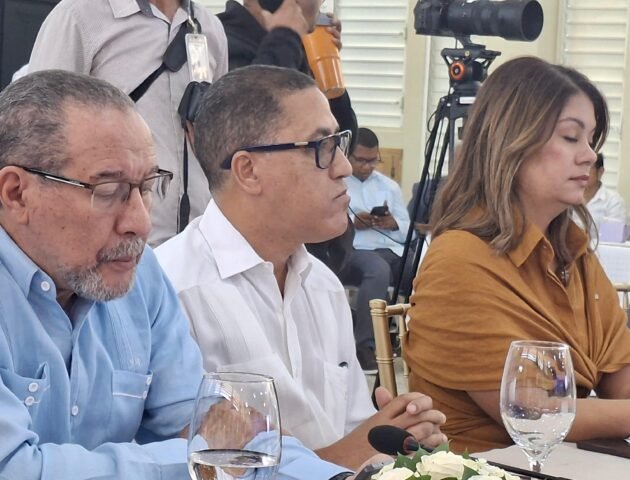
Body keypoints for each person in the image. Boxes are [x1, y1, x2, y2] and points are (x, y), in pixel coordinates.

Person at [0, 69, 382, 480]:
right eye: (108, 192)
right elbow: (15, 468)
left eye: (147, 188)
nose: (140, 223)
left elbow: (212, 422)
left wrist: (335, 478)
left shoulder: (141, 278)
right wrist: (198, 459)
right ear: (16, 193)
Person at [156, 65, 448, 471]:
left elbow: (355, 435)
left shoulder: (322, 284)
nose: (344, 167)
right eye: (321, 147)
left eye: (340, 143)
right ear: (248, 171)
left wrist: (395, 435)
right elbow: (213, 470)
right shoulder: (172, 291)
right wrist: (354, 451)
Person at [404, 56, 630, 454]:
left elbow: (620, 379)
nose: (590, 156)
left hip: (569, 461)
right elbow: (534, 414)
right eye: (571, 137)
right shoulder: (458, 260)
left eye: (591, 140)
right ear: (512, 141)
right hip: (487, 469)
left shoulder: (573, 252)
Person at [29, 0, 228, 246]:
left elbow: (217, 133)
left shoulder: (210, 27)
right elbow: (38, 134)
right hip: (110, 236)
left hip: (196, 239)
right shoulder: (79, 16)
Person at [217, 0, 356, 276]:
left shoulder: (297, 46)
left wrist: (328, 73)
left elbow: (340, 139)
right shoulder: (221, 40)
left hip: (310, 252)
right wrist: (285, 38)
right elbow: (248, 126)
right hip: (255, 257)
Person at [341, 127, 412, 373]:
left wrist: (393, 223)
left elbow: (408, 231)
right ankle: (366, 347)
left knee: (421, 269)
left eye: (373, 160)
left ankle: (418, 340)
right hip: (354, 250)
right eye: (361, 160)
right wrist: (353, 223)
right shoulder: (337, 182)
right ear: (348, 155)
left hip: (390, 248)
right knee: (378, 270)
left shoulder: (389, 186)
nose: (367, 166)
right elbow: (323, 226)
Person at [583, 152, 627, 230]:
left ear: (600, 171)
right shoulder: (568, 197)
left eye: (589, 168)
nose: (583, 172)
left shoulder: (614, 202)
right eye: (580, 167)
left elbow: (613, 235)